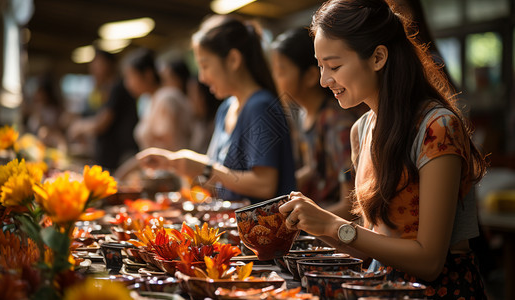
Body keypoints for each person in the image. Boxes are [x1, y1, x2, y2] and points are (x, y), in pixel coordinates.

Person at [279, 0, 488, 299]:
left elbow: (429, 261)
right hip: (379, 287)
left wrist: (331, 224)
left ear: (378, 57)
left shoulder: (437, 127)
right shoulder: (361, 130)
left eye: (335, 66)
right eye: (320, 66)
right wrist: (312, 224)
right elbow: (371, 241)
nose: (325, 80)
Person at [137, 15, 296, 204]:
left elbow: (264, 185)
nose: (202, 78)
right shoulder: (226, 108)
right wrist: (174, 163)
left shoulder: (260, 105)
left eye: (205, 66)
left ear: (233, 60)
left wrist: (204, 169)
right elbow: (221, 176)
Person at [271, 27, 361, 219]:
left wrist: (303, 224)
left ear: (311, 76)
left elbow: (351, 206)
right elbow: (313, 169)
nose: (275, 80)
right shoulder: (302, 116)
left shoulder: (337, 122)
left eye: (281, 71)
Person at [68, 49, 139, 171]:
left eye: (98, 64)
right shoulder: (103, 90)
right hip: (110, 158)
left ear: (110, 64)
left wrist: (80, 127)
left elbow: (102, 123)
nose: (93, 69)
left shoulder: (118, 87)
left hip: (122, 158)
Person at [123, 48, 193, 151]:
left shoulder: (166, 98)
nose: (128, 84)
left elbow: (170, 148)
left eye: (131, 77)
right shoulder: (150, 101)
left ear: (148, 74)